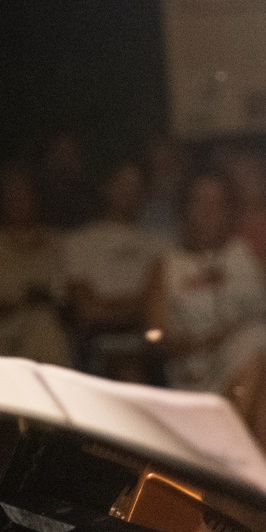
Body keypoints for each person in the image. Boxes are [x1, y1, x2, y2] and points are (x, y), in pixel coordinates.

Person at [149, 171, 266, 461]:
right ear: (185, 210)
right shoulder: (169, 267)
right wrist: (204, 342)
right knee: (260, 364)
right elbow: (153, 337)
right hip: (195, 374)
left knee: (259, 357)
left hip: (248, 370)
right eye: (200, 202)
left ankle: (230, 471)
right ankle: (249, 477)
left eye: (217, 203)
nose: (209, 212)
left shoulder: (244, 255)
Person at [61, 159, 170, 379]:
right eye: (123, 184)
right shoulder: (78, 242)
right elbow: (88, 312)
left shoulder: (161, 244)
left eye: (136, 186)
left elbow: (163, 312)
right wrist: (141, 305)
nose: (130, 192)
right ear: (106, 187)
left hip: (150, 356)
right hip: (94, 358)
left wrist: (111, 306)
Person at [0, 164, 73, 366]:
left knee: (43, 324)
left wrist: (43, 299)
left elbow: (67, 300)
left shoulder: (57, 242)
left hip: (44, 333)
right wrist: (13, 305)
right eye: (10, 195)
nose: (16, 201)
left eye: (23, 195)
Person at [36, 132, 99, 229]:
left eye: (69, 153)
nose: (64, 159)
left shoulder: (89, 191)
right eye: (60, 153)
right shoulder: (40, 191)